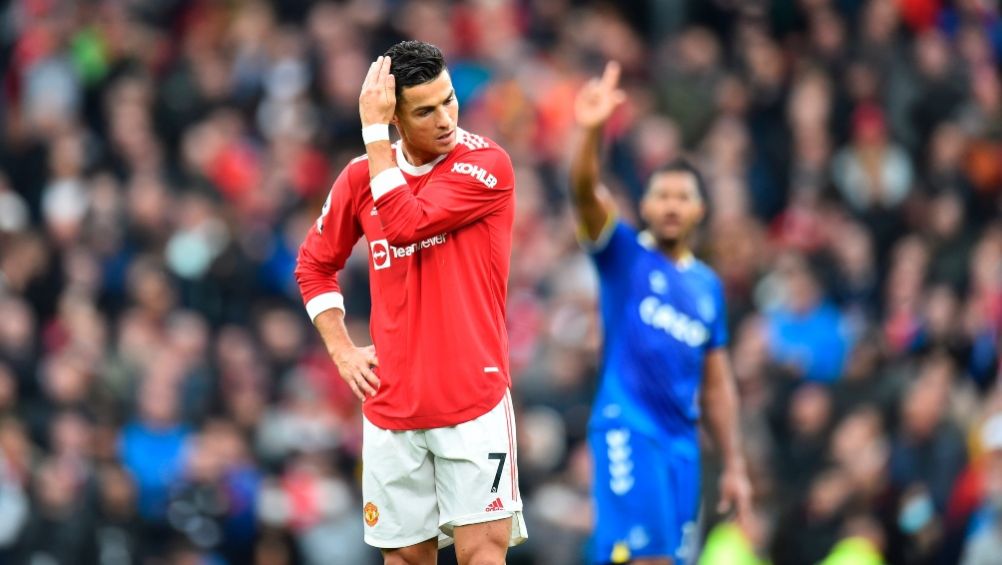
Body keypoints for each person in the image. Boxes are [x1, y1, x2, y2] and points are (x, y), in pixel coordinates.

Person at [294, 41, 526, 565]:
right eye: (425, 110)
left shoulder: (486, 165)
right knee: (403, 561)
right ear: (395, 118)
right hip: (392, 404)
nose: (446, 119)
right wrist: (342, 351)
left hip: (473, 399)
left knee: (482, 557)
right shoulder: (359, 178)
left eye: (449, 100)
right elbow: (313, 265)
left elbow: (405, 223)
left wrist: (373, 137)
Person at [570, 62, 753, 565]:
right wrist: (590, 133)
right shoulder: (625, 256)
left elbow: (716, 384)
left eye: (683, 197)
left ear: (700, 210)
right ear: (645, 205)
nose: (671, 205)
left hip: (682, 448)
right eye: (662, 195)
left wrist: (734, 465)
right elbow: (585, 193)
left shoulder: (707, 287)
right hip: (628, 427)